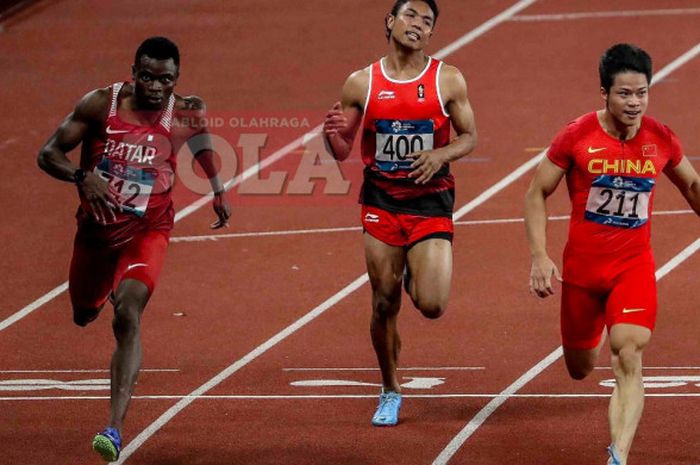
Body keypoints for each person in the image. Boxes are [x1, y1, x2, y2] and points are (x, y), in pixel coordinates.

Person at [37, 36, 231, 462]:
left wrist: (217, 190)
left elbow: (201, 144)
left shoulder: (186, 109)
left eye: (166, 79)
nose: (156, 87)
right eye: (147, 76)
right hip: (96, 233)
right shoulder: (98, 105)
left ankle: (114, 428)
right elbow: (47, 153)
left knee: (128, 312)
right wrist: (80, 177)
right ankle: (100, 290)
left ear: (177, 78)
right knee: (84, 312)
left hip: (149, 230)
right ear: (133, 72)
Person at [525, 43, 700, 465]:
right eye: (624, 93)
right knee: (580, 368)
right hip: (582, 273)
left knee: (628, 351)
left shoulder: (660, 138)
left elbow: (692, 187)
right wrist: (539, 255)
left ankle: (618, 455)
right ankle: (598, 323)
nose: (634, 102)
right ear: (604, 92)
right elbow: (536, 193)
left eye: (642, 93)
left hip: (632, 268)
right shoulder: (577, 135)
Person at [323, 0, 477, 427]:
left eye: (427, 22)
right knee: (383, 303)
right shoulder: (362, 83)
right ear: (391, 21)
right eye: (411, 16)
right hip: (382, 203)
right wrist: (329, 137)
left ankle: (416, 269)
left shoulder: (447, 79)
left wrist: (440, 154)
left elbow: (470, 137)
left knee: (431, 304)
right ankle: (390, 388)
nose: (418, 25)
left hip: (430, 201)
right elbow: (342, 148)